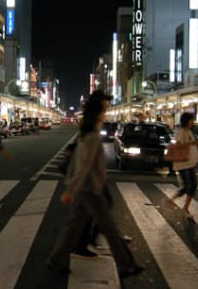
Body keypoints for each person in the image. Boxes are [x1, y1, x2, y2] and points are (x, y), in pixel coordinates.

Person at [46, 100, 144, 278]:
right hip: (89, 188)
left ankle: (55, 260)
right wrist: (72, 189)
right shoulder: (91, 136)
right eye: (103, 110)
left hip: (87, 186)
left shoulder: (87, 134)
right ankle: (126, 265)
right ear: (97, 114)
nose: (106, 112)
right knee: (108, 226)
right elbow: (85, 166)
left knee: (73, 226)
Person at [165, 112, 198, 220]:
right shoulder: (181, 131)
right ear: (186, 121)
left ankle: (184, 206)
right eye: (191, 120)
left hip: (190, 163)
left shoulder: (189, 131)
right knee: (188, 186)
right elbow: (178, 145)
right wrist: (192, 144)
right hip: (183, 164)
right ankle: (173, 201)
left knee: (193, 186)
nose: (192, 122)